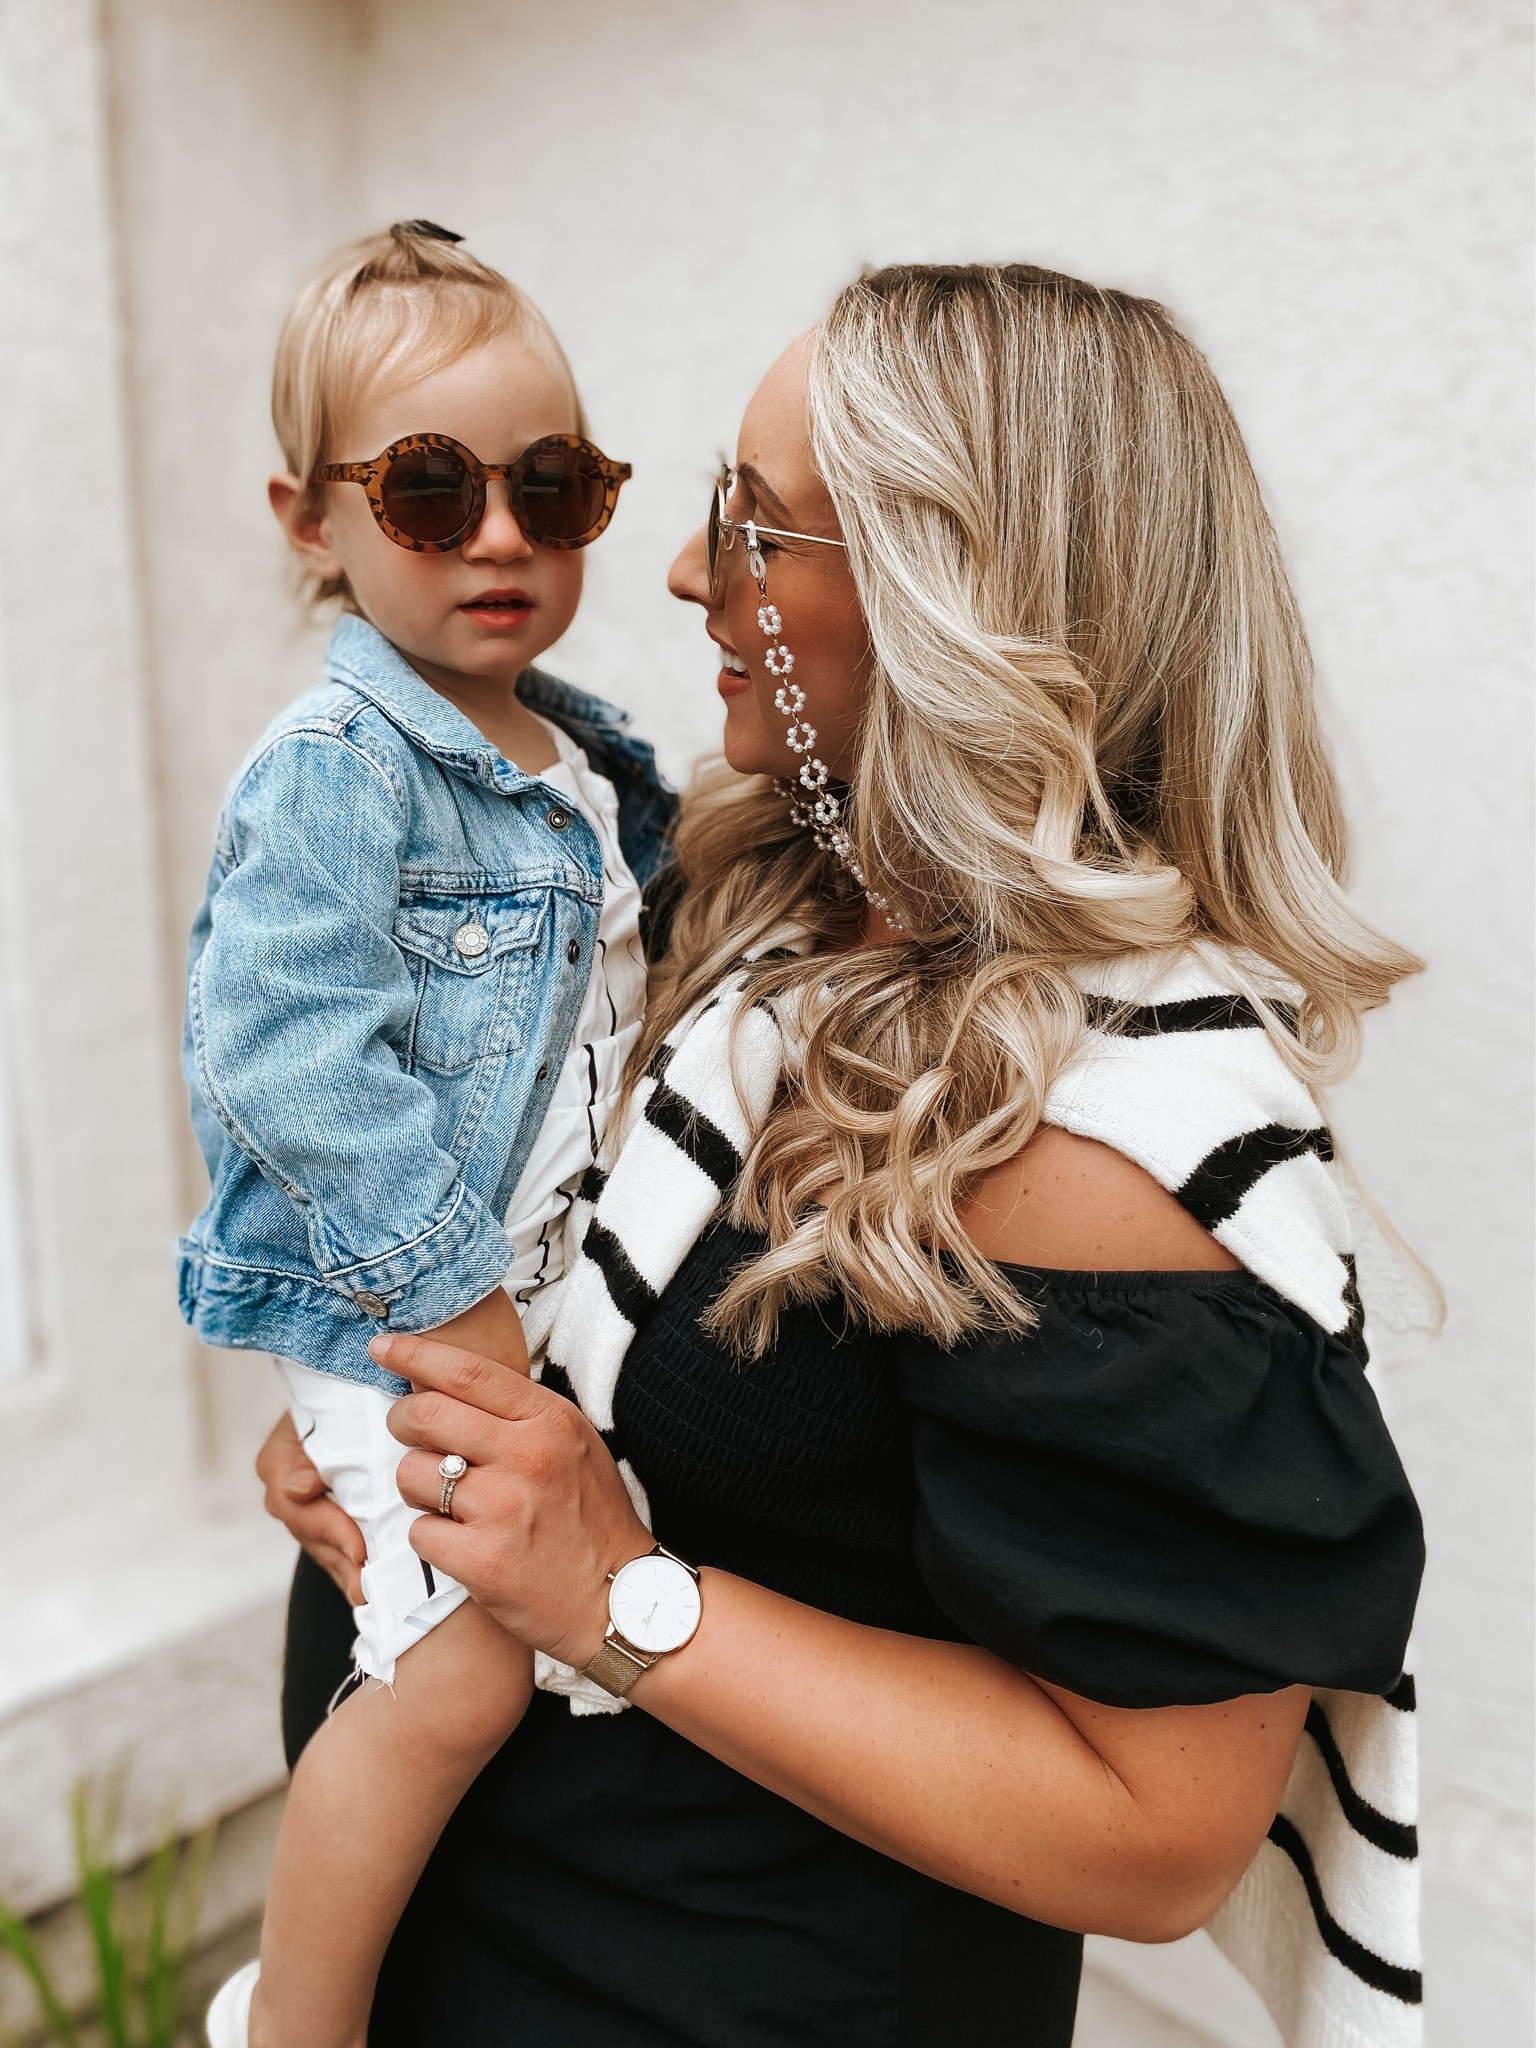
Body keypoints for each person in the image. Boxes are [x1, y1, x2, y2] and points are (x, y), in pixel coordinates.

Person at [259, 263, 1426, 2047]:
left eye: (756, 527)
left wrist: (611, 1590)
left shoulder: (1108, 1128)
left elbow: (1156, 1831)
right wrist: (380, 1412)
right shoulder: (761, 907)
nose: (679, 574)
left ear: (950, 597)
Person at [186, 221, 672, 2048]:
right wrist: (457, 1338)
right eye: (428, 488)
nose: (498, 537)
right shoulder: (335, 771)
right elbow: (292, 1062)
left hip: (530, 1316)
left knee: (530, 1658)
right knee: (464, 1676)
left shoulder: (592, 760)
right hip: (431, 1322)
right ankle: (290, 2022)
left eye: (551, 488)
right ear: (310, 521)